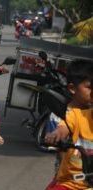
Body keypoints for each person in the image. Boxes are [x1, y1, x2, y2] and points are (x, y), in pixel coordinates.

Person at [44, 59, 93, 190]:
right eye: (89, 88)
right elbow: (63, 128)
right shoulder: (75, 115)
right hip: (71, 182)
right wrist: (56, 135)